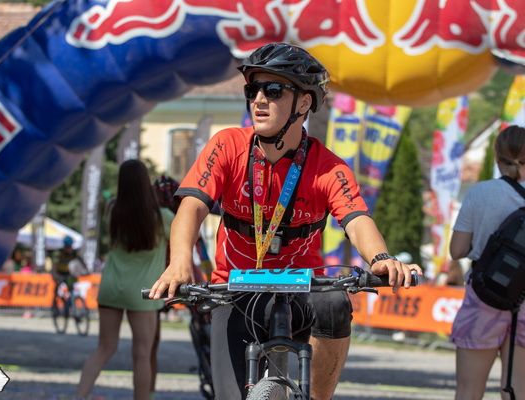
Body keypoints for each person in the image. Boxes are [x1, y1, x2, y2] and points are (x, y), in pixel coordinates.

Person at [149, 42, 422, 400]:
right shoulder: (227, 144)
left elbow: (356, 220)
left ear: (304, 103)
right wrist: (180, 260)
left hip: (301, 291)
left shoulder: (329, 167)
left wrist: (381, 258)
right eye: (253, 90)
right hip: (235, 289)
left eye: (274, 90)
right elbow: (192, 207)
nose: (259, 99)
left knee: (335, 302)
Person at [76, 160, 175, 400]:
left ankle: (79, 396)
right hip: (143, 292)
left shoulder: (112, 210)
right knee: (142, 354)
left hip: (111, 287)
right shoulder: (162, 217)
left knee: (104, 348)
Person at [449, 125, 525, 400]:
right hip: (524, 301)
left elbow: (457, 250)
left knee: (469, 392)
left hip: (484, 297)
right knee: (518, 392)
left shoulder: (480, 192)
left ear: (497, 156)